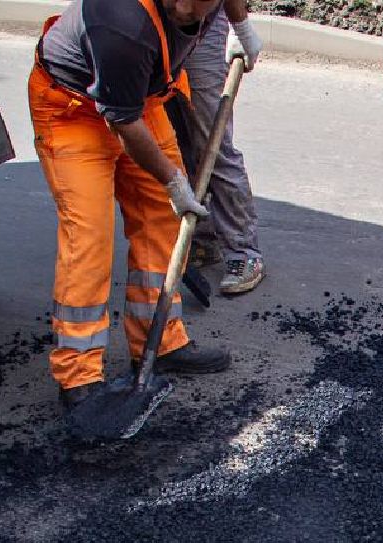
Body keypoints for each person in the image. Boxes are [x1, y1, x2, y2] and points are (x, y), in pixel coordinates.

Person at [30, 0, 232, 418]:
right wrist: (175, 182)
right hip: (73, 110)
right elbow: (122, 122)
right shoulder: (121, 22)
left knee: (163, 220)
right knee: (89, 237)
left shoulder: (202, 4)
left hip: (141, 103)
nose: (183, 8)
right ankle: (79, 374)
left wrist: (243, 29)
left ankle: (160, 343)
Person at [182, 1, 265, 296]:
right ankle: (202, 239)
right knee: (180, 141)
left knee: (211, 144)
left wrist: (238, 26)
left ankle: (244, 253)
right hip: (157, 26)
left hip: (201, 23)